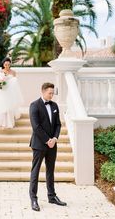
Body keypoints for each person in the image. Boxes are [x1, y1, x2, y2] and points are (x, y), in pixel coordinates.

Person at [29, 82, 67, 211]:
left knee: (50, 171)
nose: (51, 95)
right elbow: (36, 126)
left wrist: (55, 139)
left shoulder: (55, 105)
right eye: (49, 93)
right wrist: (47, 140)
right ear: (43, 91)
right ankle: (33, 199)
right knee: (35, 171)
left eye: (53, 93)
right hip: (39, 144)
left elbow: (58, 125)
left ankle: (52, 196)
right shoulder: (34, 105)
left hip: (52, 145)